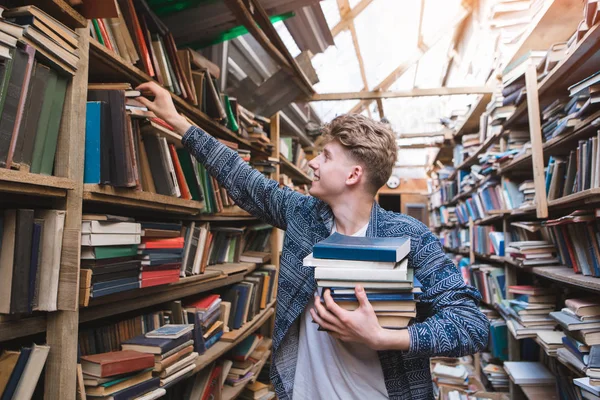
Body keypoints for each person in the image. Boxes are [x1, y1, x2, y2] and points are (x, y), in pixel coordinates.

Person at [136, 81, 489, 400]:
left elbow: (471, 325)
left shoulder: (411, 237)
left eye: (326, 156)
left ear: (354, 174)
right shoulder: (304, 216)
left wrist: (384, 338)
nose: (312, 163)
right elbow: (243, 179)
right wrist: (179, 122)